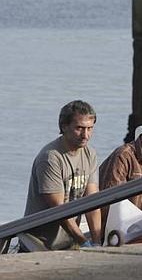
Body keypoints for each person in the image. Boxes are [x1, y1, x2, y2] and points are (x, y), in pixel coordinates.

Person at [20, 100, 102, 251]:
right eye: (79, 128)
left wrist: (97, 243)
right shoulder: (50, 158)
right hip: (39, 242)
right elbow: (59, 210)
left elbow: (93, 203)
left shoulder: (90, 154)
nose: (86, 135)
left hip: (69, 240)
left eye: (90, 128)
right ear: (64, 126)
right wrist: (84, 241)